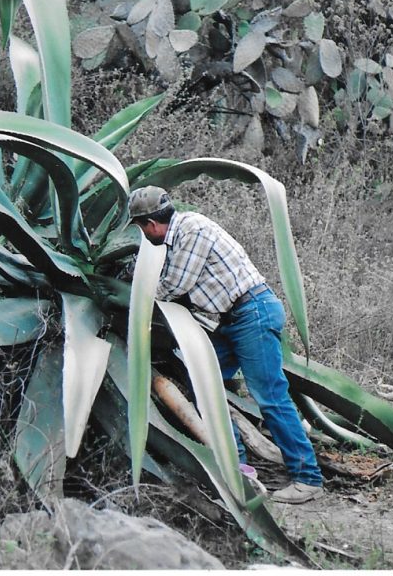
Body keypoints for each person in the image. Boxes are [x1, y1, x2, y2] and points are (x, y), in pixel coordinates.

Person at [127, 185, 324, 504]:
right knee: (205, 385)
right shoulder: (178, 238)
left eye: (139, 228)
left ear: (149, 225)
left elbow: (176, 285)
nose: (143, 235)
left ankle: (308, 478)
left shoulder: (192, 230)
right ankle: (239, 468)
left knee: (270, 395)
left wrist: (134, 299)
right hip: (230, 320)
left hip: (251, 314)